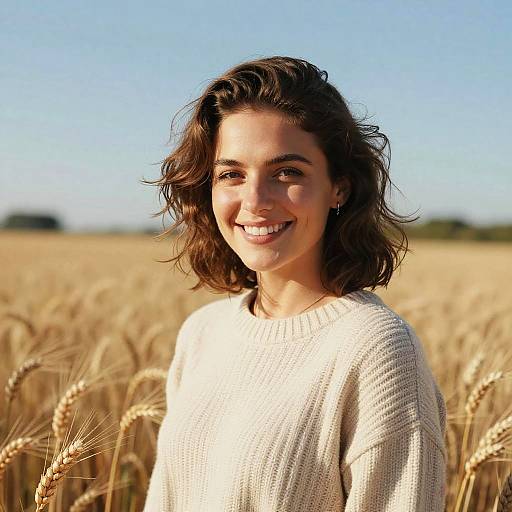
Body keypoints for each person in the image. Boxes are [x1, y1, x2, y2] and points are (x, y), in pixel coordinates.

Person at [143, 56, 447, 511]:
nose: (255, 200)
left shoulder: (377, 349)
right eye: (232, 174)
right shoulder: (202, 333)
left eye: (287, 173)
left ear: (339, 188)